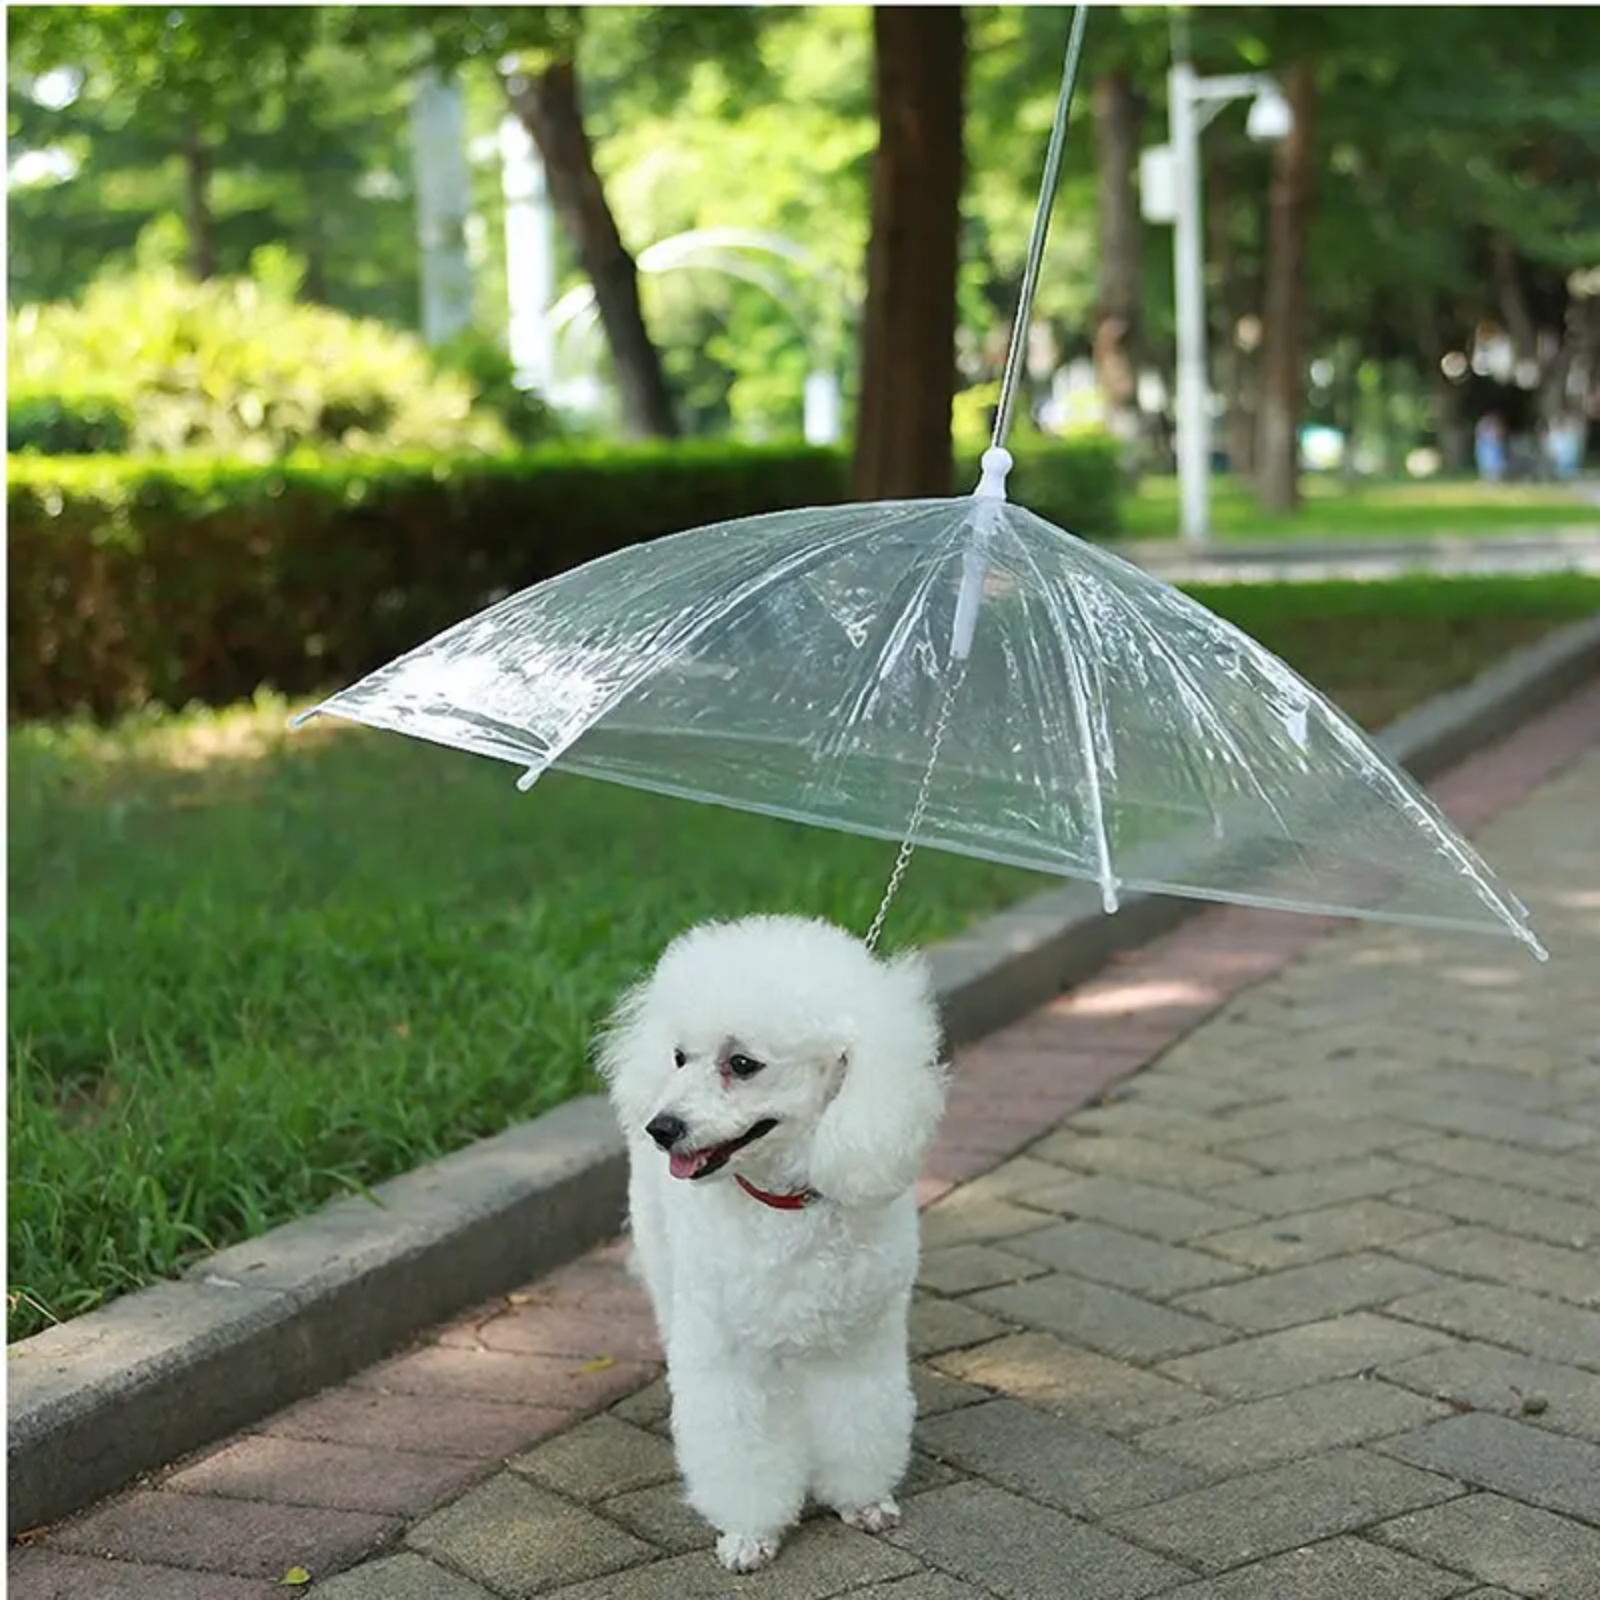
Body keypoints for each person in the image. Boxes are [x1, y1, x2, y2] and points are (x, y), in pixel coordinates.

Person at [1474, 412, 1508, 482]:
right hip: (1488, 451)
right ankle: (1488, 480)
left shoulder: (1494, 430)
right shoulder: (1483, 429)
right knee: (1488, 465)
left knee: (1495, 466)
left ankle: (1495, 479)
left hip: (1494, 450)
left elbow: (1499, 437)